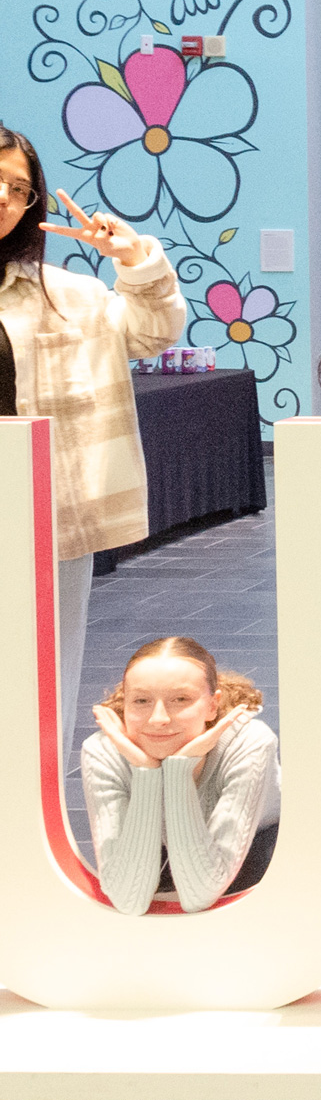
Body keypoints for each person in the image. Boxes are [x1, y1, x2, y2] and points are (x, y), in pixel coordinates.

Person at [0, 123, 187, 770]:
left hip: (43, 522)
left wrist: (136, 261)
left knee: (40, 686)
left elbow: (153, 332)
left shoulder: (70, 297)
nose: (3, 195)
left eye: (17, 187)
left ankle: (30, 826)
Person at [80, 635, 279, 916]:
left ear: (212, 704)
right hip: (163, 839)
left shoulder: (250, 742)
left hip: (257, 840)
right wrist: (146, 771)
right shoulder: (103, 751)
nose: (158, 718)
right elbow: (127, 899)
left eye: (180, 699)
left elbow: (200, 894)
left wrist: (178, 771)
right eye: (141, 700)